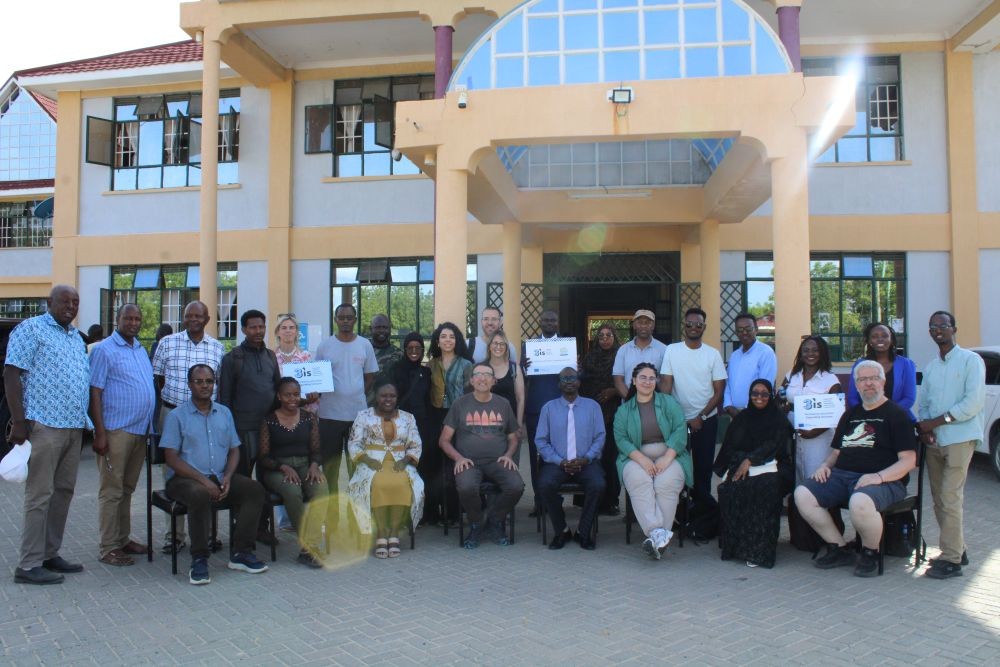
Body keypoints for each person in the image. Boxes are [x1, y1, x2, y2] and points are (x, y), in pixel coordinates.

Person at [793, 360, 917, 577]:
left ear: (883, 382)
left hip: (886, 481)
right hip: (842, 475)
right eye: (862, 380)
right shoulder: (850, 414)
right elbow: (837, 452)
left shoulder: (897, 415)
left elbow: (908, 460)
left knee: (859, 502)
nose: (868, 383)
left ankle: (871, 553)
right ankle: (840, 548)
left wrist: (878, 477)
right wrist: (824, 466)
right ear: (856, 385)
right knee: (803, 494)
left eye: (873, 378)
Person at [4, 285, 89, 585]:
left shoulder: (76, 337)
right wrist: (18, 421)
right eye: (64, 301)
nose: (70, 306)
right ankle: (28, 565)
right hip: (43, 425)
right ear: (49, 302)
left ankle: (50, 553)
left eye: (75, 302)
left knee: (63, 492)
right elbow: (12, 373)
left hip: (73, 426)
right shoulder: (31, 329)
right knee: (39, 495)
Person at [161, 364, 269, 585]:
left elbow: (234, 449)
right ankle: (199, 558)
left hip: (219, 476)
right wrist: (203, 481)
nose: (204, 385)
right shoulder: (176, 416)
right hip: (184, 480)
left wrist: (228, 476)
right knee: (200, 494)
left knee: (254, 490)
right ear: (190, 384)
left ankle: (241, 552)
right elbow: (171, 458)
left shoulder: (224, 412)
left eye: (209, 381)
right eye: (199, 381)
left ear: (214, 384)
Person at [151, 300, 225, 553]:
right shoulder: (167, 343)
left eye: (198, 316)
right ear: (183, 319)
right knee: (172, 471)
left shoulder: (217, 348)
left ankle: (208, 534)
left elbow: (219, 384)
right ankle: (175, 536)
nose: (193, 319)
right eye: (188, 315)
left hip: (206, 416)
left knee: (209, 468)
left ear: (206, 320)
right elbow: (158, 379)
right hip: (172, 413)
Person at [917, 310, 986, 579]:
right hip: (934, 441)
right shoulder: (932, 366)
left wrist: (936, 422)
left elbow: (973, 403)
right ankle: (957, 548)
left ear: (954, 328)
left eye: (943, 325)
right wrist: (925, 428)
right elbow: (925, 402)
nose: (938, 330)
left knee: (950, 497)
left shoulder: (971, 361)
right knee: (938, 499)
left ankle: (952, 560)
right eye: (933, 326)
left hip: (959, 437)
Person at [89, 303, 156, 567]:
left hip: (140, 431)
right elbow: (95, 392)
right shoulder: (104, 350)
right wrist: (100, 433)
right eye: (127, 318)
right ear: (117, 320)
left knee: (127, 489)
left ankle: (122, 538)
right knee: (111, 490)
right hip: (116, 431)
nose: (133, 322)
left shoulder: (140, 349)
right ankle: (108, 547)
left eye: (137, 318)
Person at [439, 362, 523, 549]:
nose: (482, 378)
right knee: (467, 487)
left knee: (516, 486)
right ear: (471, 380)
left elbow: (513, 438)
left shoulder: (503, 404)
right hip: (469, 462)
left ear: (494, 381)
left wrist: (509, 455)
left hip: (497, 461)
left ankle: (494, 519)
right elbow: (444, 440)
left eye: (487, 375)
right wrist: (458, 458)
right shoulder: (460, 404)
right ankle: (476, 523)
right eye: (478, 374)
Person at [614, 363, 691, 560]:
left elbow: (680, 430)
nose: (647, 382)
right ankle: (659, 533)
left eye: (651, 378)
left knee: (665, 483)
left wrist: (667, 457)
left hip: (671, 454)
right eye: (643, 377)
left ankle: (657, 537)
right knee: (640, 482)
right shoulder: (624, 410)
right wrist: (642, 460)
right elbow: (621, 438)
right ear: (633, 380)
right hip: (636, 456)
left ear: (656, 381)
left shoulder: (668, 402)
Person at [713, 379, 793, 568]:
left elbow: (777, 445)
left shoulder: (778, 418)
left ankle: (759, 550)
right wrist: (742, 462)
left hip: (775, 465)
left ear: (770, 396)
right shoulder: (743, 418)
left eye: (764, 394)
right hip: (743, 464)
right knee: (732, 487)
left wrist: (751, 460)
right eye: (755, 393)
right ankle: (736, 547)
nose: (759, 397)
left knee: (764, 487)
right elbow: (731, 446)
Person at [659, 307, 727, 508]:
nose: (693, 328)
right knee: (677, 466)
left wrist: (702, 417)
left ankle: (702, 511)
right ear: (684, 326)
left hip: (706, 420)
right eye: (689, 324)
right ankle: (680, 511)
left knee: (703, 467)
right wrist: (676, 417)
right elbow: (666, 386)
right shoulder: (672, 350)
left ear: (704, 327)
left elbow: (719, 392)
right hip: (678, 421)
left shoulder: (713, 354)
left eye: (698, 325)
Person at [347, 383, 424, 558]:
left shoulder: (408, 418)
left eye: (392, 396)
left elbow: (416, 444)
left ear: (397, 398)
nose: (388, 399)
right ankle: (381, 533)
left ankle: (394, 533)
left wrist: (405, 460)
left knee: (402, 484)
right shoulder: (363, 416)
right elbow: (354, 443)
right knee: (379, 484)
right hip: (371, 463)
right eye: (383, 395)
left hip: (400, 463)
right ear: (376, 396)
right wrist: (367, 460)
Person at [257, 377, 328, 568]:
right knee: (292, 491)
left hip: (305, 465)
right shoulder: (269, 420)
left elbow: (316, 450)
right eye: (287, 394)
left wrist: (314, 465)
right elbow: (263, 457)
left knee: (321, 490)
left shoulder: (308, 417)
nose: (292, 399)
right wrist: (283, 467)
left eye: (296, 394)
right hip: (276, 469)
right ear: (279, 396)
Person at [535, 367, 607, 550]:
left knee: (598, 485)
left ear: (579, 382)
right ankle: (562, 531)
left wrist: (587, 458)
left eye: (572, 378)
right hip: (557, 463)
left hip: (586, 462)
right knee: (544, 484)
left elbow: (600, 437)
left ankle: (584, 531)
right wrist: (560, 461)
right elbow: (541, 440)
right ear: (559, 384)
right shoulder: (548, 408)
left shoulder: (593, 407)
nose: (569, 381)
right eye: (564, 379)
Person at [315, 304, 379, 498]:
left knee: (356, 464)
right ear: (335, 319)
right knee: (330, 467)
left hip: (357, 416)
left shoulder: (364, 344)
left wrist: (356, 392)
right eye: (341, 317)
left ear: (355, 320)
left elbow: (370, 375)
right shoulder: (325, 346)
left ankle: (356, 507)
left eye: (349, 317)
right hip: (329, 415)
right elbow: (318, 376)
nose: (345, 321)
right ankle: (332, 510)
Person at [218, 310, 281, 479]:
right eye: (253, 327)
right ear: (244, 330)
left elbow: (278, 390)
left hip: (268, 429)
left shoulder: (271, 357)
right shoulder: (232, 359)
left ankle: (264, 507)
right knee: (242, 479)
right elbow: (224, 398)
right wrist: (230, 431)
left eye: (261, 327)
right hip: (242, 431)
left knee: (267, 479)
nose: (258, 331)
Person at [426, 321, 473, 525]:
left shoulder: (466, 364)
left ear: (457, 340)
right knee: (437, 466)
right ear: (437, 340)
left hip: (458, 419)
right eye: (444, 336)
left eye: (452, 336)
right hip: (436, 417)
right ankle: (435, 510)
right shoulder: (431, 364)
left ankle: (454, 512)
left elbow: (471, 395)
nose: (447, 340)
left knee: (456, 464)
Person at [781, 336, 843, 483]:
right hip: (793, 433)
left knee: (816, 476)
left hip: (819, 437)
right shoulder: (791, 375)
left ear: (822, 353)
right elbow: (781, 397)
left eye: (815, 350)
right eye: (806, 350)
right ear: (800, 353)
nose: (810, 354)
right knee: (796, 475)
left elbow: (837, 414)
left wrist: (815, 431)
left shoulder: (831, 380)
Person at [522, 309, 564, 515]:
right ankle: (540, 502)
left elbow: (574, 375)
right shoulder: (528, 347)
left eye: (553, 319)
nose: (549, 322)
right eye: (546, 319)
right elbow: (522, 379)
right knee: (535, 455)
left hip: (560, 409)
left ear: (557, 323)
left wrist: (578, 367)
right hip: (535, 410)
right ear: (540, 322)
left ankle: (554, 499)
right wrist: (523, 367)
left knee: (557, 453)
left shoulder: (566, 346)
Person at [580, 323, 623, 515]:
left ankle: (611, 501)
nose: (605, 339)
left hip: (614, 412)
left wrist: (614, 391)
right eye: (601, 335)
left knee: (610, 458)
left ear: (615, 337)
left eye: (609, 335)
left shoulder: (621, 357)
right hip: (591, 413)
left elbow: (628, 379)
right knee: (591, 456)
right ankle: (590, 500)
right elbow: (581, 381)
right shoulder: (589, 358)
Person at [846, 322, 917, 419]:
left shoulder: (906, 364)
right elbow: (852, 398)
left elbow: (909, 398)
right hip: (866, 419)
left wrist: (885, 414)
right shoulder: (859, 364)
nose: (880, 339)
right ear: (869, 341)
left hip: (898, 419)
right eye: (875, 336)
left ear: (891, 339)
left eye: (885, 335)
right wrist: (868, 414)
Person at [722, 313, 777, 417]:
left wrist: (748, 411)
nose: (744, 333)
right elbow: (728, 383)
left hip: (757, 413)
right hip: (734, 414)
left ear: (756, 329)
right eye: (740, 330)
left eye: (748, 329)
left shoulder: (766, 353)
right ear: (736, 332)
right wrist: (728, 405)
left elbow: (764, 386)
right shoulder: (734, 356)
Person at [612, 310, 667, 400]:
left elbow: (666, 381)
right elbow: (618, 381)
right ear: (634, 325)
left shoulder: (663, 350)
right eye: (639, 322)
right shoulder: (623, 350)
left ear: (653, 326)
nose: (643, 325)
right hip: (630, 407)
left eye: (647, 322)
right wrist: (633, 403)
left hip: (655, 408)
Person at [485, 331, 525, 437]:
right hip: (486, 426)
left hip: (510, 426)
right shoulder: (481, 368)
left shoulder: (514, 368)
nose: (498, 346)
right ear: (489, 346)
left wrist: (519, 424)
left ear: (506, 347)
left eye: (502, 344)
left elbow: (520, 398)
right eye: (495, 343)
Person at [366, 314, 403, 406]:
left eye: (385, 327)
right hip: (365, 407)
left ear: (390, 329)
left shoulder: (399, 354)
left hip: (389, 408)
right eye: (377, 327)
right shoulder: (362, 350)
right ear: (371, 329)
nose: (381, 330)